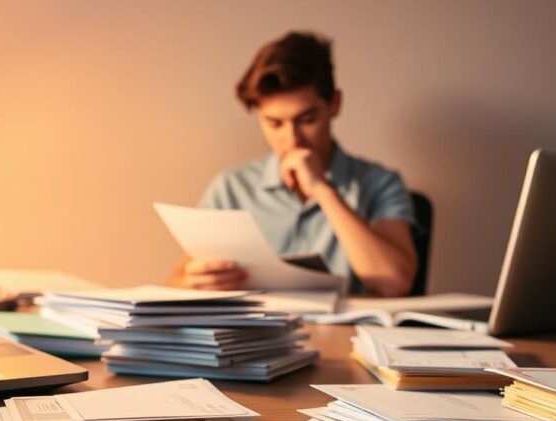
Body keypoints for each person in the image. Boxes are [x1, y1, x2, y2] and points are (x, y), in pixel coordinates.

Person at [168, 31, 417, 297]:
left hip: (345, 337)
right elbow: (176, 282)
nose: (292, 139)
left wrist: (323, 191)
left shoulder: (379, 182)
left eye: (307, 119)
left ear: (334, 104)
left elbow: (395, 282)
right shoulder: (231, 188)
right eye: (274, 124)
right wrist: (196, 281)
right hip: (255, 337)